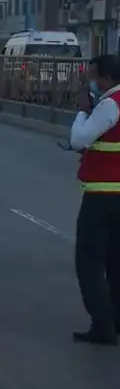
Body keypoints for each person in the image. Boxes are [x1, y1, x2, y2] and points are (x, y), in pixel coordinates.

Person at [70, 54, 120, 345]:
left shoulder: (109, 105)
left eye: (94, 77)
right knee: (116, 260)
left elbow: (80, 139)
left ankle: (102, 325)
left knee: (89, 260)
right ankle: (116, 319)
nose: (93, 83)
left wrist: (82, 113)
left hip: (102, 196)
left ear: (108, 79)